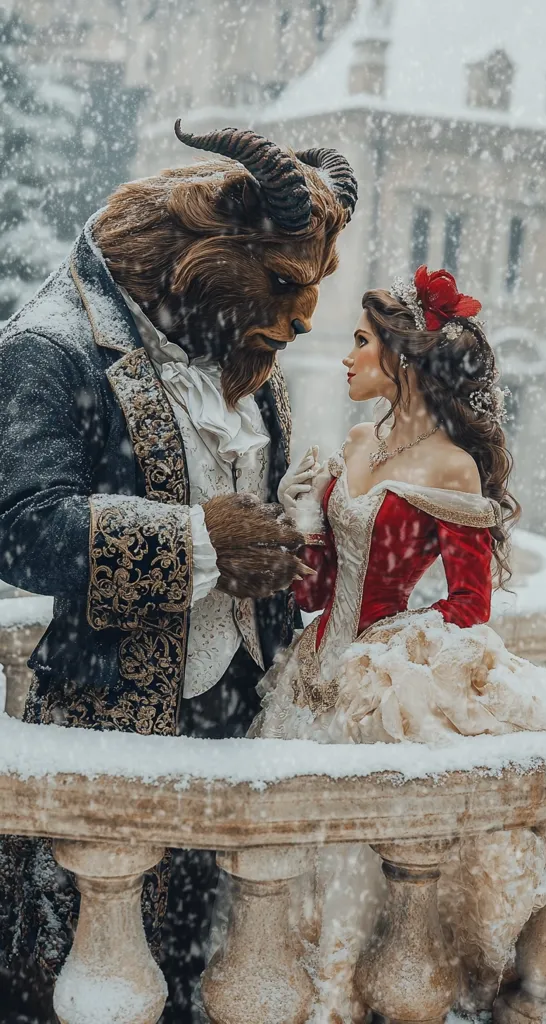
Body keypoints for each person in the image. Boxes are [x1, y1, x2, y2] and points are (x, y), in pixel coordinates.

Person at [0, 125, 357, 1022]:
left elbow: (250, 492)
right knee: (98, 970)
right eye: (284, 285)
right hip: (115, 710)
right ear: (213, 251)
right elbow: (20, 527)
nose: (305, 316)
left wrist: (287, 527)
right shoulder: (49, 348)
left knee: (220, 961)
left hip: (242, 713)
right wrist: (197, 541)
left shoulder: (237, 338)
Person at [205, 266, 546, 1020]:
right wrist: (303, 523)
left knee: (351, 880)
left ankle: (338, 1001)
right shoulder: (356, 442)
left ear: (401, 360)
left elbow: (469, 609)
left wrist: (394, 659)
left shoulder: (451, 465)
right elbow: (313, 593)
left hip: (374, 693)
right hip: (306, 680)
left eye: (363, 343)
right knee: (282, 876)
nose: (347, 357)